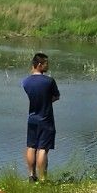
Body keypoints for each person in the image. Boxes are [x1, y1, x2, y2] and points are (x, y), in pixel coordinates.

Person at [20, 52, 60, 182]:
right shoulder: (49, 81)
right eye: (45, 63)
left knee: (31, 146)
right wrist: (47, 101)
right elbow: (56, 96)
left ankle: (31, 175)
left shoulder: (25, 82)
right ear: (39, 64)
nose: (47, 66)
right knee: (43, 149)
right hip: (46, 119)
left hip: (32, 119)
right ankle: (42, 178)